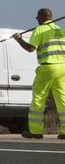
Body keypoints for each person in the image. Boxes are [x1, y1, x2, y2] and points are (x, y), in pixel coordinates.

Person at [12, 7, 65, 139]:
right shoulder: (59, 30)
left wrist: (18, 39)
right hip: (62, 67)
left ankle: (35, 131)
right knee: (62, 99)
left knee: (38, 98)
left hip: (48, 67)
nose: (36, 20)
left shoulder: (39, 30)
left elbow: (30, 48)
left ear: (41, 17)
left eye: (37, 17)